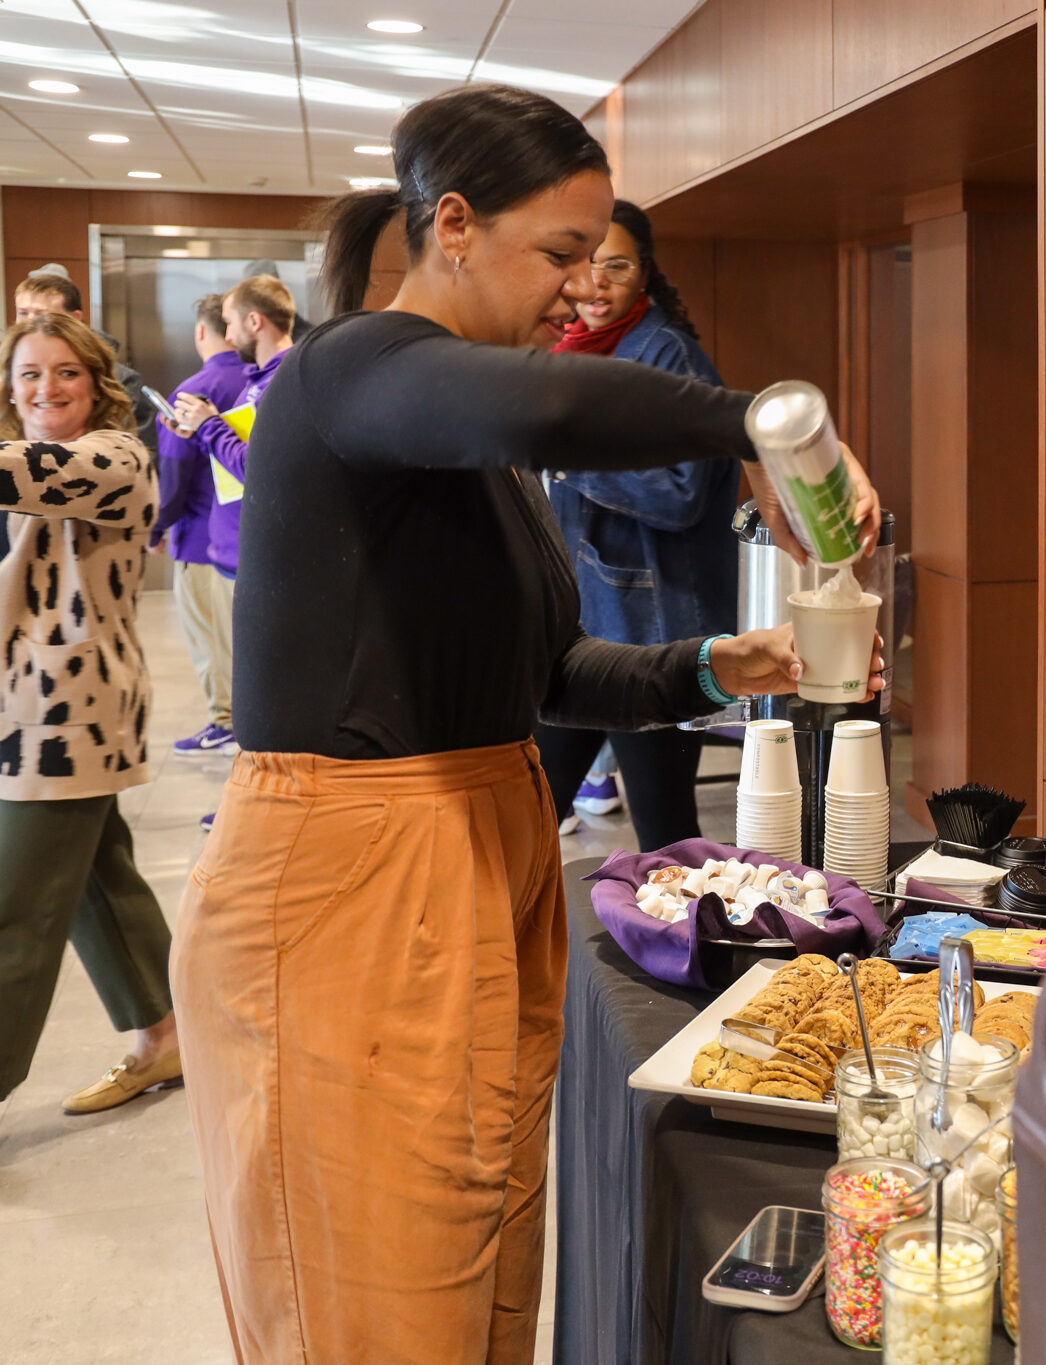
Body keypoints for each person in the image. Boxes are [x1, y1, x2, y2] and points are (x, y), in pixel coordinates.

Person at [170, 83, 883, 1365]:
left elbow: (543, 672)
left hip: (473, 845)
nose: (582, 287)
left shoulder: (471, 449)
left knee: (477, 1269)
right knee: (377, 1301)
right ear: (452, 224)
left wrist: (719, 666)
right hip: (350, 876)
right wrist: (763, 433)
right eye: (560, 254)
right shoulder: (355, 372)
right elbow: (551, 407)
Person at [0, 311, 183, 1119]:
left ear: (98, 382)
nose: (46, 388)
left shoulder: (115, 456)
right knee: (94, 882)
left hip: (68, 715)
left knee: (15, 907)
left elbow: (25, 471)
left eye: (65, 371)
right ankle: (168, 1035)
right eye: (29, 374)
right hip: (23, 710)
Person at [537, 199, 735, 850]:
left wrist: (568, 459)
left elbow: (681, 493)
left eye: (616, 265)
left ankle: (683, 948)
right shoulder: (562, 351)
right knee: (531, 808)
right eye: (583, 262)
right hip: (575, 631)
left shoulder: (667, 355)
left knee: (665, 827)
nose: (596, 282)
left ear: (644, 273)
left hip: (650, 636)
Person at [171, 274, 296, 827]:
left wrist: (206, 428)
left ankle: (258, 805)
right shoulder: (256, 378)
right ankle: (251, 799)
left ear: (254, 322)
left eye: (228, 321)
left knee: (262, 690)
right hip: (238, 549)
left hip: (264, 558)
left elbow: (264, 468)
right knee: (251, 685)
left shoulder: (284, 382)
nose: (223, 333)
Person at [153, 293, 252, 754]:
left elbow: (174, 472)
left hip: (197, 536)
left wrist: (156, 526)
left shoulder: (192, 391)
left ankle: (224, 721)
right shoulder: (257, 381)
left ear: (201, 331)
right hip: (246, 536)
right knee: (240, 641)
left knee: (211, 642)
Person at [13, 267, 156, 459]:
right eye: (23, 313)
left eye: (68, 373)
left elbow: (142, 456)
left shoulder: (121, 379)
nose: (47, 389)